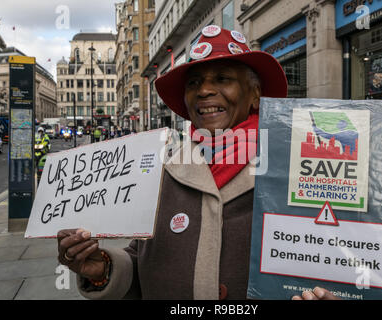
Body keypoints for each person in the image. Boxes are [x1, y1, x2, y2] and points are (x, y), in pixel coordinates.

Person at [57, 26, 337, 300]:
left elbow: (339, 259)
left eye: (223, 78)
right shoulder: (162, 172)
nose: (204, 91)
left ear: (254, 95)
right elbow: (143, 259)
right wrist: (103, 269)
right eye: (194, 83)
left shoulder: (297, 167)